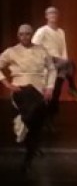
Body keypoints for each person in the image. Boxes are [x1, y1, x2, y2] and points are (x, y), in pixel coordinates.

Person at [0, 24, 56, 172]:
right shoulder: (12, 51)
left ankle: (29, 152)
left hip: (38, 89)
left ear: (32, 35)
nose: (24, 37)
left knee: (36, 121)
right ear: (18, 36)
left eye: (27, 34)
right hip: (20, 89)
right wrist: (7, 83)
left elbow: (52, 69)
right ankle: (30, 143)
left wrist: (50, 87)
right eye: (21, 34)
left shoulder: (41, 50)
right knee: (33, 115)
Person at [32, 6, 77, 131]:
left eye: (55, 13)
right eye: (50, 14)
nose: (53, 16)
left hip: (59, 63)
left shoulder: (61, 32)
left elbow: (63, 48)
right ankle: (45, 119)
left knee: (57, 93)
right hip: (49, 62)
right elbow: (34, 46)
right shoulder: (42, 31)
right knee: (50, 92)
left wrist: (64, 61)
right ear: (46, 16)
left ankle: (51, 118)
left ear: (58, 16)